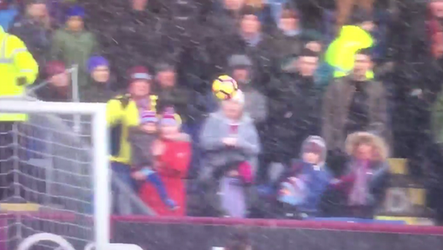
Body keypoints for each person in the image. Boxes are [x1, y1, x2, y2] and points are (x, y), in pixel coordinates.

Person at [322, 48, 389, 174]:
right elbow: (328, 117)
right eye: (357, 61)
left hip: (365, 144)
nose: (359, 65)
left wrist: (370, 141)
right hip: (341, 143)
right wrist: (331, 143)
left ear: (370, 65)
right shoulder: (337, 85)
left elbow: (380, 119)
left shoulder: (377, 89)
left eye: (363, 62)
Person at [106, 66, 158, 215]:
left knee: (149, 203)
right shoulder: (119, 103)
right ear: (130, 84)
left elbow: (174, 124)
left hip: (150, 164)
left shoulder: (157, 104)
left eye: (145, 82)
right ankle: (125, 232)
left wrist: (157, 125)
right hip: (122, 163)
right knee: (125, 203)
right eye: (138, 81)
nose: (142, 85)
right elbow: (104, 122)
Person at [200, 90, 260, 217]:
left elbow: (255, 149)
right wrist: (221, 142)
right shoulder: (213, 120)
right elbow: (205, 143)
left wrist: (240, 143)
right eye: (229, 102)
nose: (232, 106)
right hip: (216, 172)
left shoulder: (248, 123)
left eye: (236, 103)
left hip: (241, 173)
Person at [0, 24, 38, 200]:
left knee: (9, 159)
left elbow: (29, 66)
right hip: (10, 112)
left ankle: (9, 195)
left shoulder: (10, 42)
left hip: (11, 113)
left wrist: (24, 76)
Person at [139, 108, 191, 216]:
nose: (167, 129)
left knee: (170, 223)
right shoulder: (152, 142)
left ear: (178, 128)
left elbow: (178, 168)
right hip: (151, 192)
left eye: (171, 126)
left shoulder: (183, 144)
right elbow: (143, 163)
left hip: (172, 192)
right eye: (164, 126)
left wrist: (159, 157)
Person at [329, 131, 389, 218]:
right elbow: (335, 185)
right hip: (345, 210)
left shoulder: (381, 170)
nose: (361, 148)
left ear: (374, 148)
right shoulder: (345, 165)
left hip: (369, 212)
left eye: (366, 145)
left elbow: (380, 195)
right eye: (358, 144)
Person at [128, 110, 178, 210]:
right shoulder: (140, 138)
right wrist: (152, 161)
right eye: (148, 124)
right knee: (152, 183)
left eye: (153, 124)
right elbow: (145, 153)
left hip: (147, 167)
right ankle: (166, 199)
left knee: (155, 183)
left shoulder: (154, 137)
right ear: (142, 125)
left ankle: (166, 199)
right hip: (141, 166)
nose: (151, 127)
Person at [277, 136, 332, 217]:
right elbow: (280, 184)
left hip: (310, 213)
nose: (310, 154)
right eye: (307, 151)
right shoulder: (295, 168)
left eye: (315, 152)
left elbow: (317, 194)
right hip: (287, 210)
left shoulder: (323, 173)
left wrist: (295, 196)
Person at [50, 5, 98, 95]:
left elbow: (94, 54)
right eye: (72, 19)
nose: (75, 22)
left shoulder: (88, 36)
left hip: (85, 77)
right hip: (66, 76)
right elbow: (54, 55)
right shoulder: (59, 36)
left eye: (78, 19)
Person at [9, 0, 52, 67]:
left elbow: (48, 45)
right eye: (39, 8)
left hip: (42, 63)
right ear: (29, 8)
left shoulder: (45, 25)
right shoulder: (19, 25)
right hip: (26, 62)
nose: (43, 10)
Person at [228, 54, 268, 125]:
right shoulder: (219, 94)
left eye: (243, 69)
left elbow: (261, 116)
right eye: (237, 69)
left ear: (249, 72)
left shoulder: (257, 97)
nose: (240, 73)